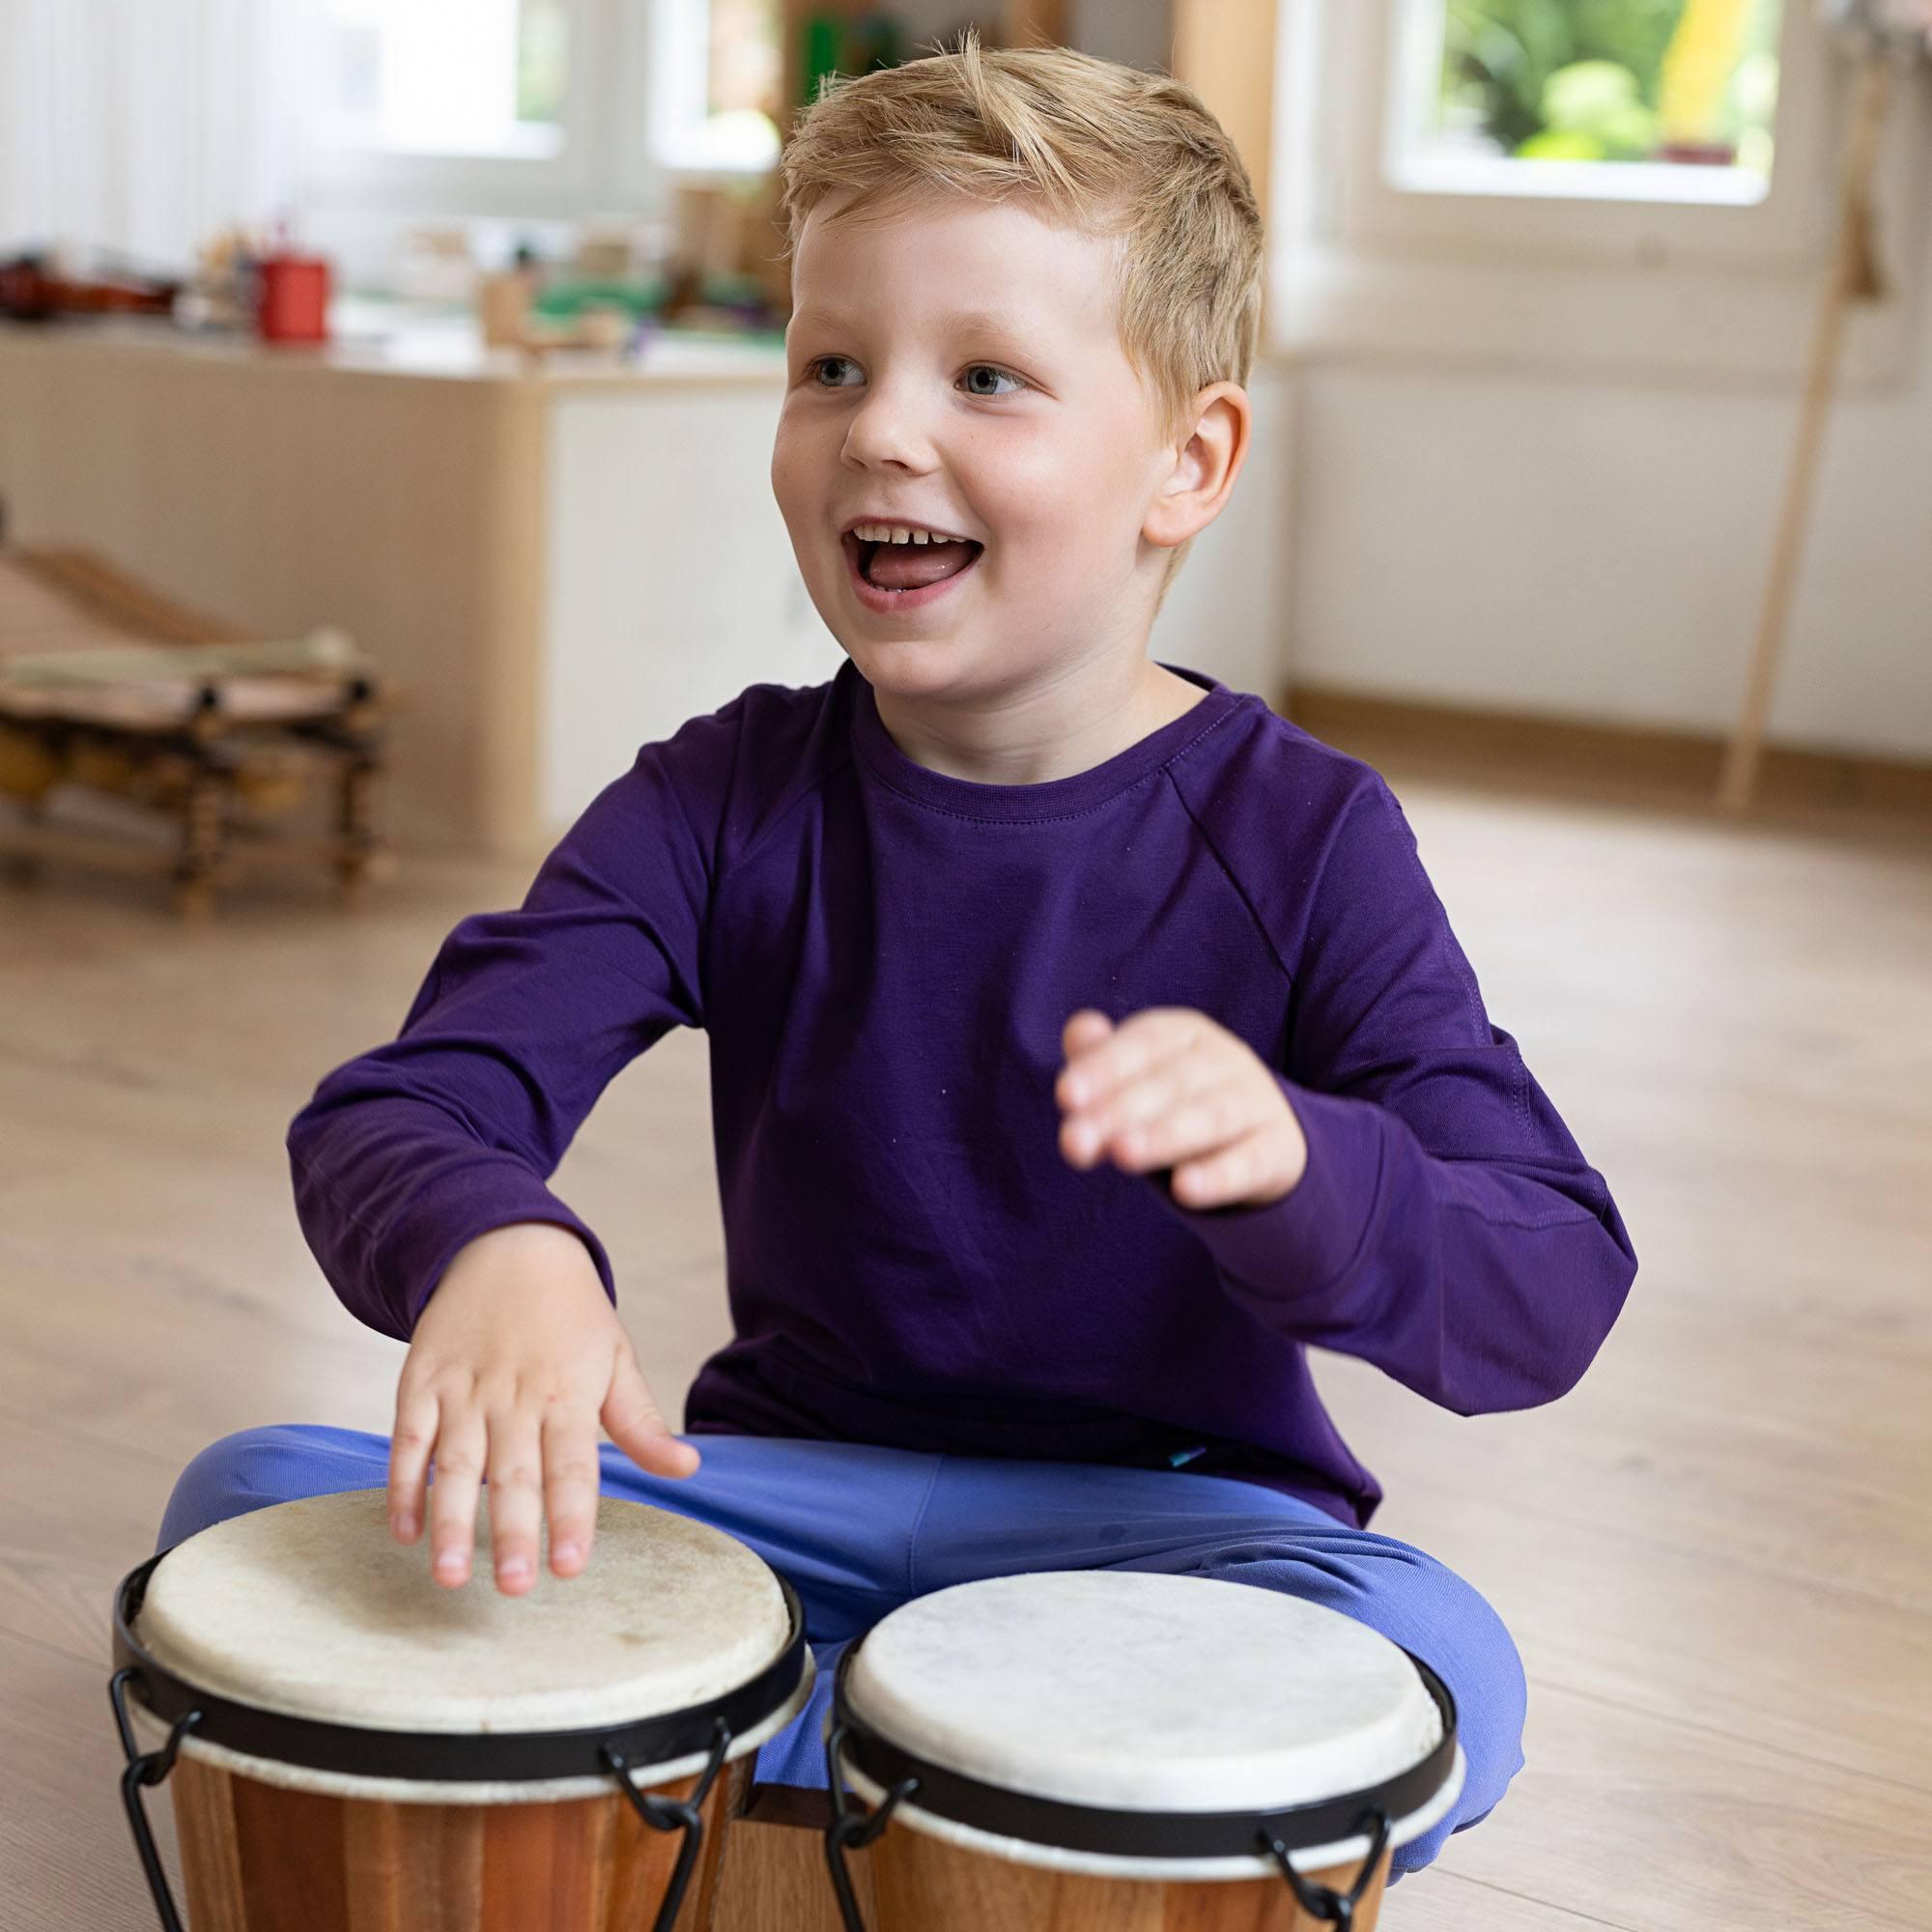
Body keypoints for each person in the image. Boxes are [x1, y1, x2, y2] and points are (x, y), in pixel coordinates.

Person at [160, 33, 1637, 1885]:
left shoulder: (1303, 838)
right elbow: (410, 1102)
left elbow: (1554, 1281)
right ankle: (930, 1766)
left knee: (1449, 1671)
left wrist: (1304, 1166)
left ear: (1189, 461)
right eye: (831, 365)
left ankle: (766, 1748)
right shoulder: (718, 798)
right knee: (251, 1505)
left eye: (988, 376)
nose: (878, 427)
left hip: (1177, 1527)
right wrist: (498, 1238)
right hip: (779, 1501)